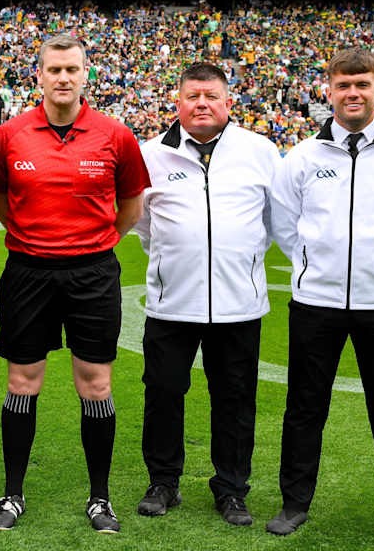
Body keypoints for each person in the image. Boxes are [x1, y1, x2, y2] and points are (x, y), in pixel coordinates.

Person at [266, 48, 374, 548]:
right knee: (304, 406)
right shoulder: (302, 156)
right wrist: (313, 266)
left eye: (362, 84)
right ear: (329, 90)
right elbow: (284, 224)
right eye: (344, 85)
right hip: (315, 303)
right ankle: (294, 504)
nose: (353, 93)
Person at [0, 34, 151, 534]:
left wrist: (92, 242)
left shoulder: (114, 136)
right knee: (21, 382)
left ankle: (100, 498)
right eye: (53, 69)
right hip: (28, 270)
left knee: (95, 383)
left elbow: (130, 208)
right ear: (39, 75)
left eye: (71, 69)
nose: (62, 78)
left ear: (85, 75)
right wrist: (35, 237)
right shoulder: (10, 135)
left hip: (93, 273)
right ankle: (12, 493)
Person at [132, 63, 281, 527]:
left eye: (211, 96)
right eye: (193, 95)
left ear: (227, 102)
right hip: (172, 302)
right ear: (177, 102)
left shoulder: (260, 151)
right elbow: (143, 224)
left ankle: (232, 489)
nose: (202, 103)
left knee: (235, 399)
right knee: (163, 393)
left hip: (239, 303)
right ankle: (163, 482)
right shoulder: (151, 153)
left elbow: (274, 222)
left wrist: (239, 258)